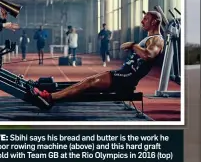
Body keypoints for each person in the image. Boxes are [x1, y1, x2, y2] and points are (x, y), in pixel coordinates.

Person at [32, 11, 164, 109]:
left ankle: (51, 97)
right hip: (123, 73)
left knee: (89, 82)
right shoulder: (149, 38)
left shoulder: (157, 39)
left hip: (127, 77)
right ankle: (52, 95)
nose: (142, 21)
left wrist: (133, 45)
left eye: (145, 19)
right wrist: (133, 47)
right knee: (87, 82)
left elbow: (148, 55)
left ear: (154, 22)